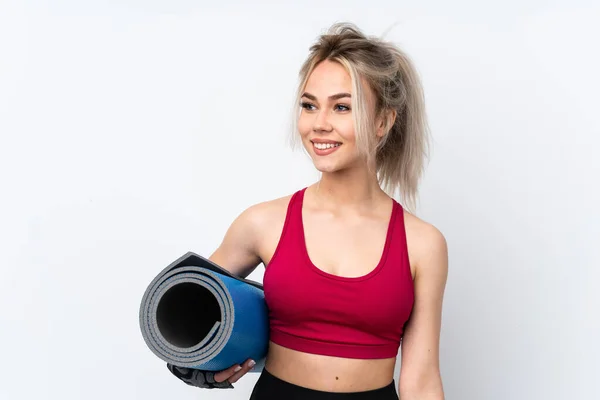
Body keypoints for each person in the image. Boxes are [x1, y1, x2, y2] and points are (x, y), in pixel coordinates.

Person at [172, 22, 448, 399]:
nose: (319, 124)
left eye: (341, 107)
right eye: (309, 105)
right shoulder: (262, 223)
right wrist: (194, 369)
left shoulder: (422, 244)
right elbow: (185, 312)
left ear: (383, 121)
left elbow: (421, 380)